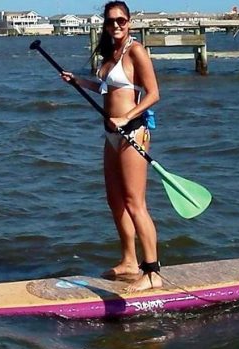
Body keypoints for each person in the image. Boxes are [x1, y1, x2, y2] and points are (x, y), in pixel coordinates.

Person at [61, 1, 161, 292]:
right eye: (110, 21)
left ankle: (152, 270)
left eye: (121, 20)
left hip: (132, 132)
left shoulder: (136, 51)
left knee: (135, 203)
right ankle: (130, 261)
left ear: (129, 22)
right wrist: (79, 81)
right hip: (111, 134)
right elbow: (108, 88)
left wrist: (126, 117)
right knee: (115, 200)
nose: (115, 25)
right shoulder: (110, 54)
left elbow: (154, 94)